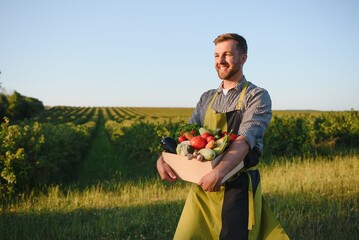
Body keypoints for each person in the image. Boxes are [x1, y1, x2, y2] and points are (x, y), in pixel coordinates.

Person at [157, 33, 289, 239]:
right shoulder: (207, 98)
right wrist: (164, 158)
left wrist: (218, 173)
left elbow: (245, 140)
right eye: (216, 55)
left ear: (243, 58)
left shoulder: (256, 95)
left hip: (237, 189)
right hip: (203, 188)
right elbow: (186, 137)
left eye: (227, 54)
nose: (220, 61)